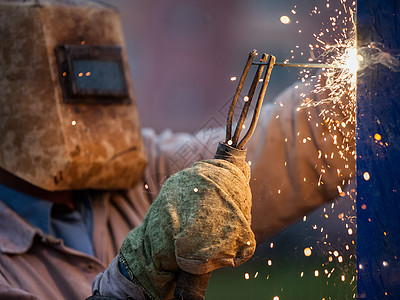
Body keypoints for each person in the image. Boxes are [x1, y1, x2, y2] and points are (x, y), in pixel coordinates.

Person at [0, 0, 355, 299]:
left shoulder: (141, 169)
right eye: (73, 86)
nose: (93, 108)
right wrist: (132, 278)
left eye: (100, 79)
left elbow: (286, 145)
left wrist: (356, 94)